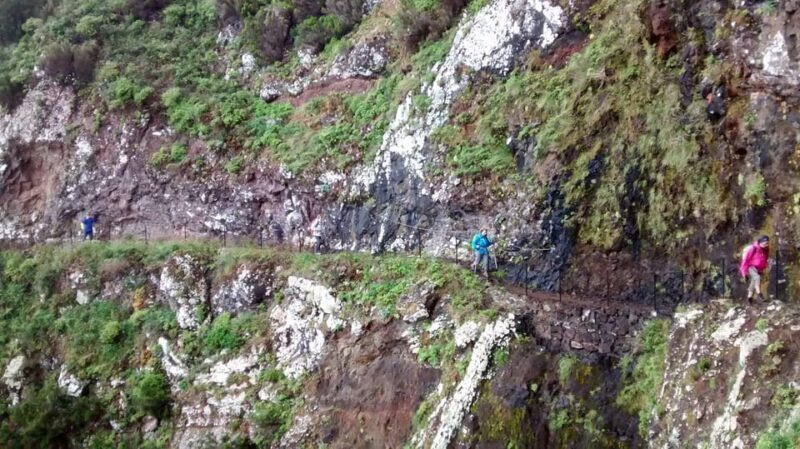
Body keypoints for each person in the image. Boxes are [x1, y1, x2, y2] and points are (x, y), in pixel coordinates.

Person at [740, 235, 769, 303]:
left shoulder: (765, 249)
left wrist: (762, 268)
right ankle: (759, 294)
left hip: (758, 268)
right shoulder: (753, 248)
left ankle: (749, 298)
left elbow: (764, 259)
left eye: (767, 243)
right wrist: (744, 273)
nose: (766, 245)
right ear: (760, 242)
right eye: (765, 243)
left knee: (753, 282)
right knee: (757, 277)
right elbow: (745, 261)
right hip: (751, 267)